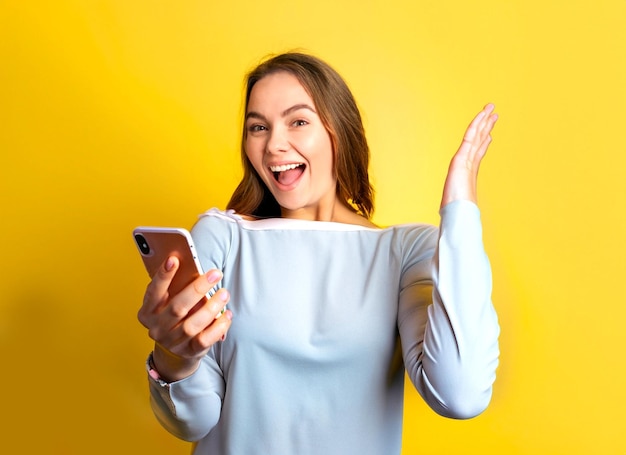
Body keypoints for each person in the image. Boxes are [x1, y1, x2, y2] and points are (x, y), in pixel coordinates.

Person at [137, 52, 500, 454]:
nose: (274, 144)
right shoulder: (222, 238)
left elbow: (460, 394)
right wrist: (172, 356)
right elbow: (194, 421)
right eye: (258, 127)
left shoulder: (406, 252)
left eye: (298, 121)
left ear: (338, 131)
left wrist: (460, 209)